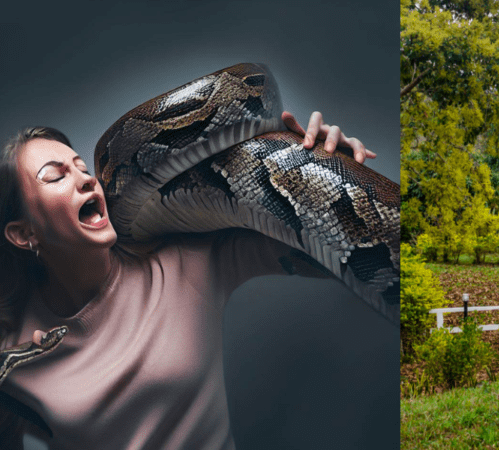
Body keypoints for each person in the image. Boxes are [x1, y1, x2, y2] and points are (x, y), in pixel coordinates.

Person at [0, 111, 375, 449]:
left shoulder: (180, 259)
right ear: (23, 234)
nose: (86, 181)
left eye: (83, 168)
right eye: (55, 176)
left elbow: (334, 260)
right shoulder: (11, 347)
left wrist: (334, 172)